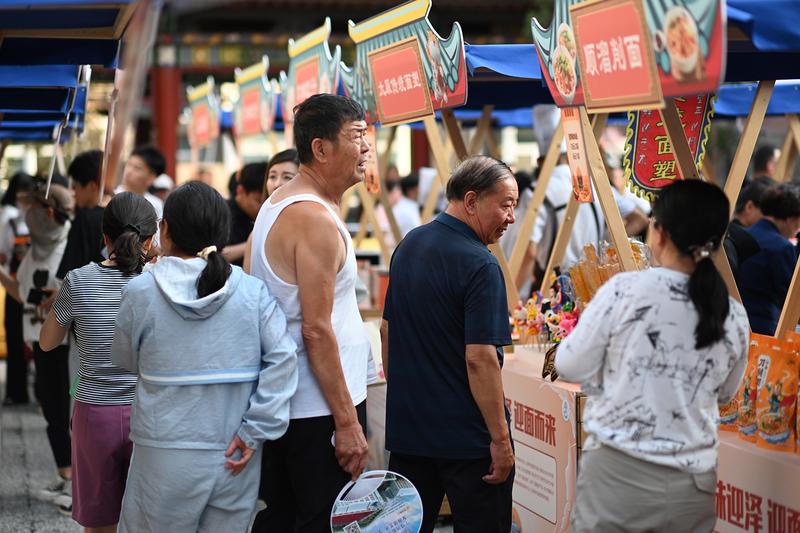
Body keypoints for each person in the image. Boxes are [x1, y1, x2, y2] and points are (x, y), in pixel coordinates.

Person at [555, 180, 749, 532]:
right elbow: (726, 394)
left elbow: (569, 364)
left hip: (618, 474)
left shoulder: (624, 290)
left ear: (659, 233)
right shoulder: (734, 314)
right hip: (694, 482)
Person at [111, 181, 298, 532]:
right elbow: (284, 360)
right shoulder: (251, 291)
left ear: (164, 229)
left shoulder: (140, 291)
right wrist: (256, 429)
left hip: (161, 449)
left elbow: (124, 359)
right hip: (234, 451)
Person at [249, 94, 372, 532]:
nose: (367, 148)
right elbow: (316, 331)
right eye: (357, 136)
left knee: (289, 518)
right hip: (314, 409)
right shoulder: (312, 218)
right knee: (320, 521)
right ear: (320, 149)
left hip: (296, 401)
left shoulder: (281, 202)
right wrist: (347, 422)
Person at [381, 155, 517, 533]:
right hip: (469, 444)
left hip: (410, 435)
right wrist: (500, 440)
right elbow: (480, 359)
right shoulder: (481, 264)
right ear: (471, 201)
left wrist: (410, 396)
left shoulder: (409, 245)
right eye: (505, 205)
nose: (511, 217)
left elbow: (386, 331)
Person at [39, 193, 157, 531]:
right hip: (148, 412)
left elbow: (47, 343)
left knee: (99, 523)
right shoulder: (157, 282)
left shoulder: (77, 281)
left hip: (94, 413)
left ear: (103, 238)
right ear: (151, 239)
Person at [0, 180, 74, 506]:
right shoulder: (34, 250)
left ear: (46, 212)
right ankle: (65, 475)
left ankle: (77, 484)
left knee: (67, 410)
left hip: (68, 345)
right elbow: (22, 294)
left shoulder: (72, 246)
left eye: (30, 208)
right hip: (40, 342)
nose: (25, 215)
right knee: (51, 410)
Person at [516, 154, 605, 292]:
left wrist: (512, 295)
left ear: (540, 162)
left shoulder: (537, 191)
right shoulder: (594, 185)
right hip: (593, 285)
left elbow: (530, 251)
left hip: (554, 287)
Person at [737, 183, 800, 335]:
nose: (796, 230)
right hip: (764, 329)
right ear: (790, 219)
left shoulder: (740, 235)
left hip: (735, 322)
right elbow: (790, 299)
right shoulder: (782, 248)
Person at [0, 172, 34, 406]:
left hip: (14, 285)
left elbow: (3, 253)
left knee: (15, 338)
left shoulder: (8, 219)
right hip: (33, 286)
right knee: (31, 338)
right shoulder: (31, 218)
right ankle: (36, 392)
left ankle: (16, 391)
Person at [56, 149, 106, 280]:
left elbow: (69, 276)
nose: (73, 192)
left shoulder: (85, 219)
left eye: (75, 186)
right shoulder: (124, 212)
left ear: (91, 186)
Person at [724, 177, 775, 275]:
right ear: (749, 207)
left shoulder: (731, 234)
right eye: (766, 212)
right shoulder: (737, 240)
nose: (771, 218)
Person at [223, 161, 268, 267]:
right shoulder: (221, 215)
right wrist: (255, 243)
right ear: (240, 191)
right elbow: (213, 255)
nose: (263, 207)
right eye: (258, 201)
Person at [117, 145, 166, 221]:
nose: (128, 171)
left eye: (137, 168)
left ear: (151, 178)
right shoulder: (112, 197)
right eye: (129, 164)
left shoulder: (155, 205)